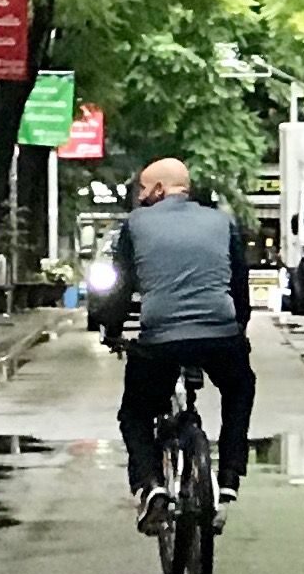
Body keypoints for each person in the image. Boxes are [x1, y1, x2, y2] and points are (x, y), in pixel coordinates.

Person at [101, 157, 256, 518]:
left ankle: (151, 485)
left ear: (157, 189)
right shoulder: (221, 222)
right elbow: (239, 284)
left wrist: (111, 329)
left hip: (160, 340)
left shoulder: (135, 224)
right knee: (239, 389)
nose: (140, 195)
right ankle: (230, 475)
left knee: (136, 413)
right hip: (221, 334)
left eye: (142, 188)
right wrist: (239, 331)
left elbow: (121, 287)